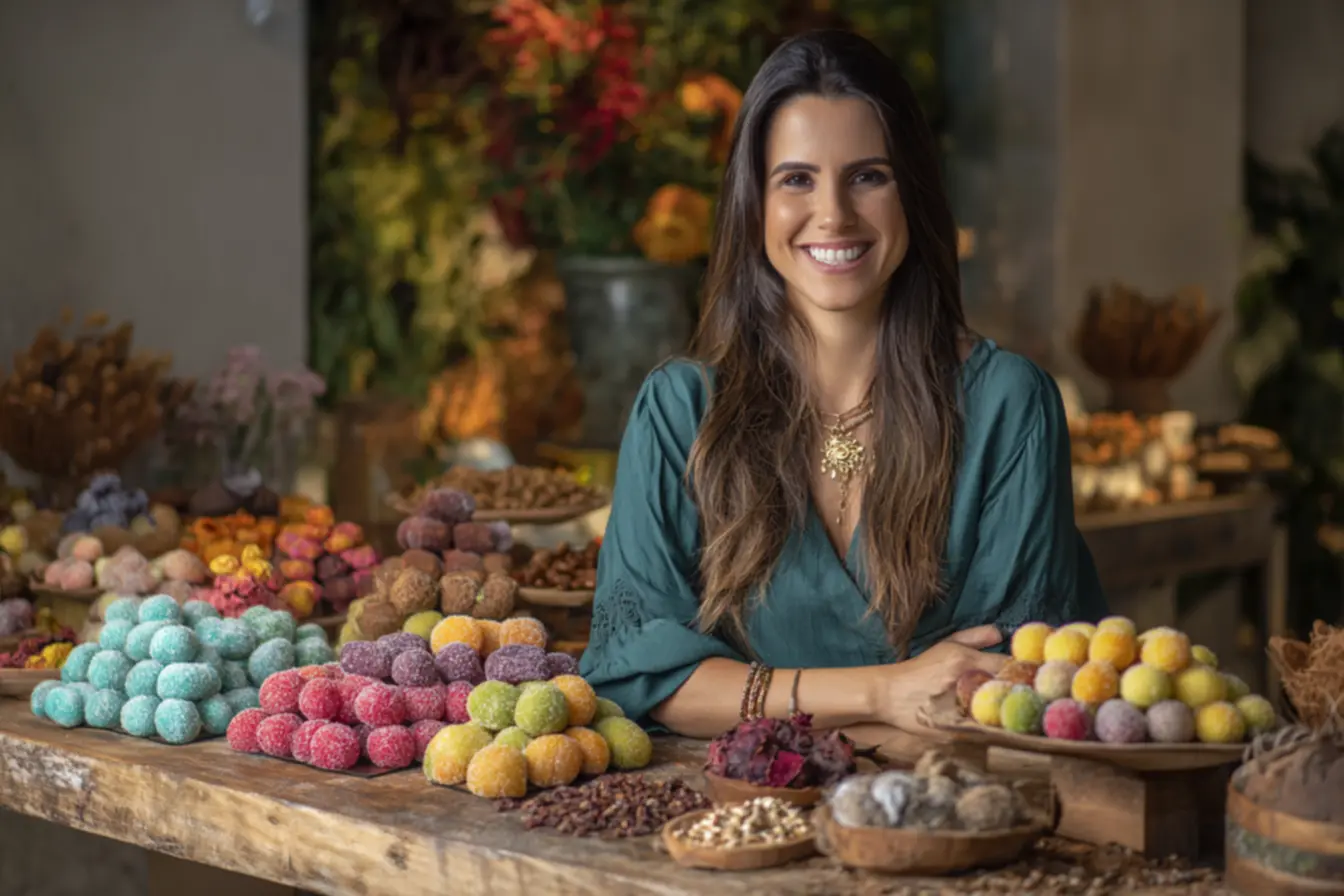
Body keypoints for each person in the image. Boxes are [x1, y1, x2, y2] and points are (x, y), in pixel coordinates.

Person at [579, 30, 1107, 745]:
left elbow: (1000, 694)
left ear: (911, 193)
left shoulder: (1008, 406)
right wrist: (886, 692)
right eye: (796, 179)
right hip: (738, 825)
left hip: (958, 828)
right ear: (754, 204)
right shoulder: (680, 412)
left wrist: (747, 699)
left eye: (868, 176)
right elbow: (643, 675)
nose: (833, 215)